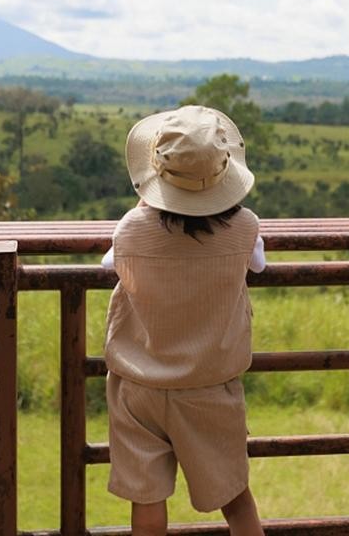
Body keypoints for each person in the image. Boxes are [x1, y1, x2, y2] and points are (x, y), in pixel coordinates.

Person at [101, 104, 267, 536]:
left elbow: (111, 263)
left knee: (148, 497)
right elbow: (259, 266)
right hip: (211, 383)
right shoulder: (245, 226)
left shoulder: (130, 229)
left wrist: (146, 206)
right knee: (235, 495)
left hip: (140, 384)